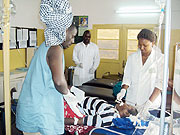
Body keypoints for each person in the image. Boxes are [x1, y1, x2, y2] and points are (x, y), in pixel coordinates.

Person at [16, 0, 77, 134]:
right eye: (72, 36)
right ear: (64, 30)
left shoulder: (46, 45)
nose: (72, 41)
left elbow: (49, 78)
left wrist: (68, 88)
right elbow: (58, 81)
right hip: (39, 113)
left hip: (32, 108)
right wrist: (68, 94)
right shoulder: (56, 48)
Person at [116, 29, 164, 119]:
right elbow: (127, 78)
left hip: (151, 105)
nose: (141, 48)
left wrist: (148, 103)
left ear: (153, 43)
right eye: (139, 45)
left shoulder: (160, 59)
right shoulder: (132, 58)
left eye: (145, 45)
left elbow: (160, 84)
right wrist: (123, 90)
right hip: (132, 102)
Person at [64, 92, 138, 127]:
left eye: (127, 105)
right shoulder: (113, 110)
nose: (124, 103)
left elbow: (79, 121)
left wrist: (59, 121)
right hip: (78, 99)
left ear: (126, 113)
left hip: (74, 106)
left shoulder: (109, 117)